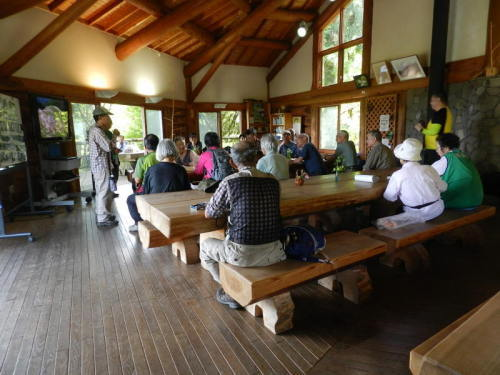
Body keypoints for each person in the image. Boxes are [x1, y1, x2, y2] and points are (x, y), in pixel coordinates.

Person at [200, 141, 286, 309]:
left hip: (242, 253)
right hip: (276, 251)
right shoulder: (273, 181)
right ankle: (235, 287)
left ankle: (230, 290)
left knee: (205, 247)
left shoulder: (230, 182)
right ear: (256, 158)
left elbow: (209, 213)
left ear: (232, 162)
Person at [377, 138, 447, 230]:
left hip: (414, 213)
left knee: (381, 220)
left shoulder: (398, 175)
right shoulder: (429, 169)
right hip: (437, 210)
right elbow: (443, 187)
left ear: (401, 159)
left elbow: (389, 197)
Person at [127, 139, 191, 232]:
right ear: (174, 150)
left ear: (159, 152)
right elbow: (187, 191)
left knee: (130, 199)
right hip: (176, 205)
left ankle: (140, 223)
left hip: (155, 205)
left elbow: (146, 192)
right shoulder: (181, 170)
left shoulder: (151, 170)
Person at [432, 133, 483, 209]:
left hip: (459, 202)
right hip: (476, 200)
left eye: (438, 147)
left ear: (445, 148)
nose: (436, 150)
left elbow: (426, 174)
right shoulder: (464, 156)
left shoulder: (446, 159)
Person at [88, 106, 117, 227]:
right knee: (103, 191)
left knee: (105, 190)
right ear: (100, 118)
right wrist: (115, 138)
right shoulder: (97, 131)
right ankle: (103, 218)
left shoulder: (97, 130)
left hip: (102, 165)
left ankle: (105, 213)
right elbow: (108, 146)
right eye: (107, 117)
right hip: (100, 165)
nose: (109, 120)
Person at [414, 93, 453, 165]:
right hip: (440, 147)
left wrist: (421, 129)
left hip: (434, 149)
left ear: (438, 100)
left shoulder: (440, 112)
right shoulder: (447, 111)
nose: (430, 103)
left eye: (432, 100)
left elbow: (435, 131)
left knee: (430, 172)